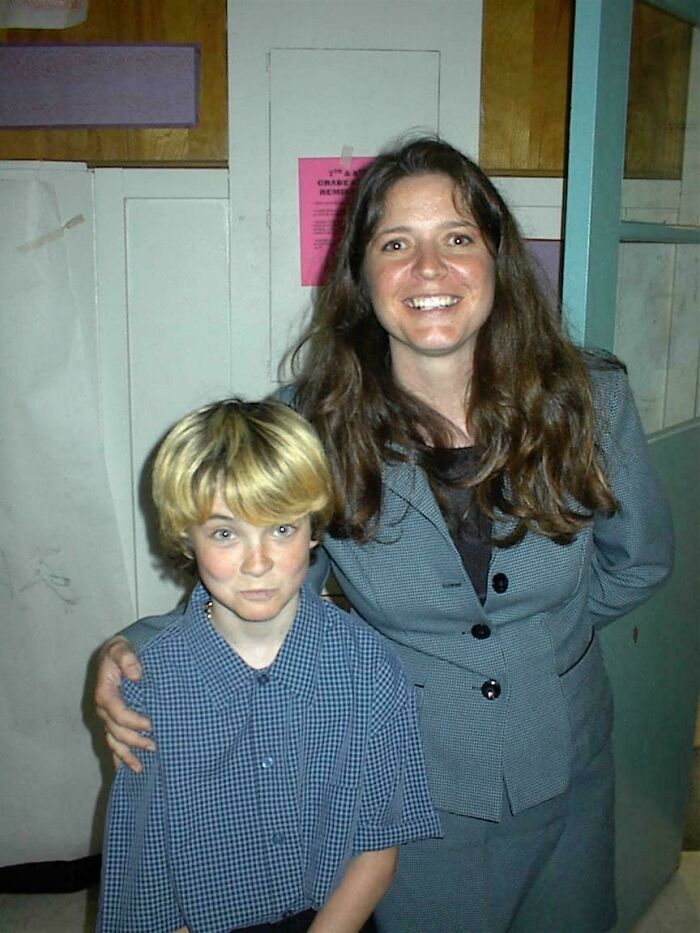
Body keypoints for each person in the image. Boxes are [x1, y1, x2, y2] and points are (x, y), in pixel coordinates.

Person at [95, 138, 674, 932]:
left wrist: (532, 644)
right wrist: (137, 644)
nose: (429, 269)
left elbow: (638, 563)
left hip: (567, 757)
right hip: (405, 779)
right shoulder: (310, 420)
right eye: (396, 244)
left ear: (497, 261)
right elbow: (252, 568)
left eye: (458, 238)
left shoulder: (593, 399)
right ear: (362, 276)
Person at [97, 398, 441, 933]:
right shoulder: (150, 687)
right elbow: (145, 875)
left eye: (281, 529)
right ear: (186, 536)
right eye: (225, 533)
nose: (257, 563)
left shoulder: (369, 668)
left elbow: (378, 846)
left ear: (314, 529)